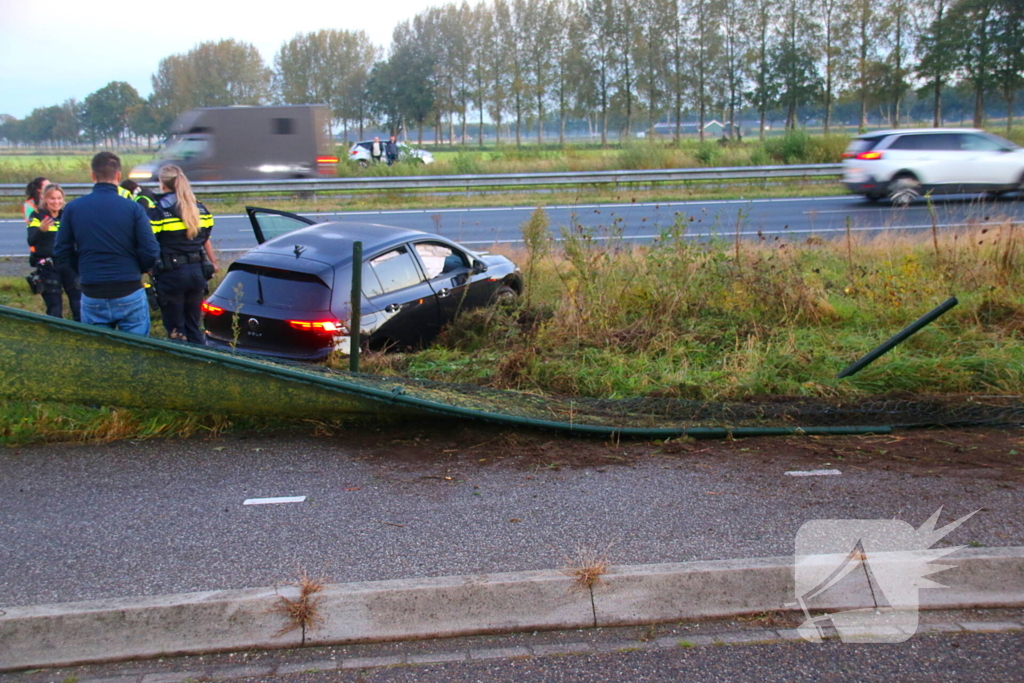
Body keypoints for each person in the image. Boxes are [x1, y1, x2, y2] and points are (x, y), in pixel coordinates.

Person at [54, 152, 160, 336]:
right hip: (128, 287)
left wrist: (83, 269)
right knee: (137, 352)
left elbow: (61, 249)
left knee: (101, 354)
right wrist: (138, 269)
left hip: (92, 289)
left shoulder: (73, 208)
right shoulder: (133, 208)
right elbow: (151, 249)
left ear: (93, 175)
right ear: (118, 176)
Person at [148, 164, 217, 344]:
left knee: (176, 329)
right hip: (198, 273)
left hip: (171, 274)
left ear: (162, 183)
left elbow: (150, 242)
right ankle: (202, 363)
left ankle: (180, 367)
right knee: (194, 326)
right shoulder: (200, 209)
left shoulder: (159, 210)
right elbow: (205, 238)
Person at [26, 183, 81, 321]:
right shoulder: (37, 215)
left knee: (79, 306)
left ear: (63, 199)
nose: (56, 202)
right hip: (49, 268)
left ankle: (81, 339)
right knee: (54, 309)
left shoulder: (68, 215)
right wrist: (40, 231)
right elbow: (31, 240)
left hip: (70, 266)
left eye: (59, 198)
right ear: (45, 199)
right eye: (52, 198)